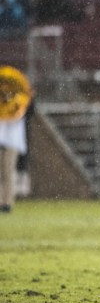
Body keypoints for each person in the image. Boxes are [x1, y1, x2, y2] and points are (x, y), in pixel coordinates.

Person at [0, 65, 31, 213]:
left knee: (8, 171)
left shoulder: (19, 101)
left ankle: (7, 203)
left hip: (12, 140)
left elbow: (28, 112)